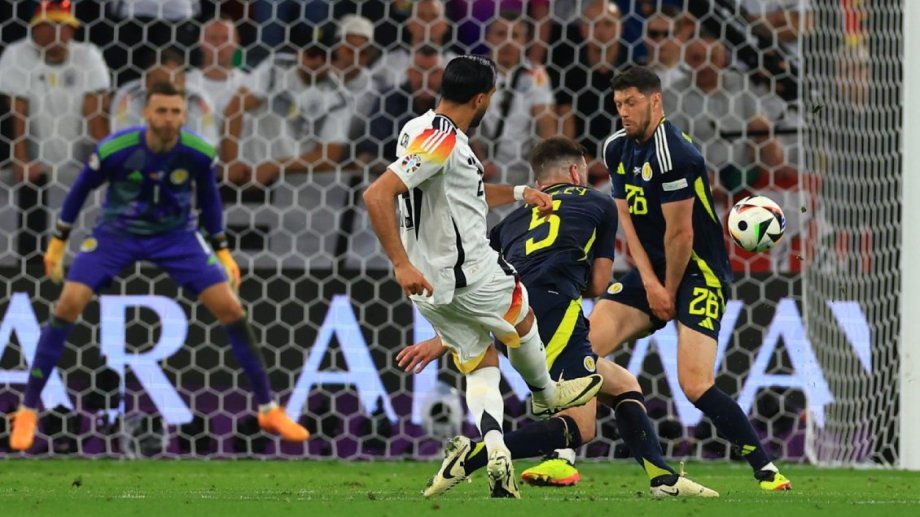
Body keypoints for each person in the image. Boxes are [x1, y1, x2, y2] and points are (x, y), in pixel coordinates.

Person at [397, 137, 718, 498]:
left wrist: (443, 339)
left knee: (622, 384)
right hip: (556, 310)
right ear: (576, 172)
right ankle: (474, 455)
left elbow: (481, 288)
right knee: (581, 427)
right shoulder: (599, 203)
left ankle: (663, 480)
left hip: (514, 314)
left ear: (538, 182)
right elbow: (598, 284)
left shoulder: (509, 223)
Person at [8, 82, 309, 452]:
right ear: (146, 114)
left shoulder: (198, 153)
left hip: (176, 237)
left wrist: (223, 251)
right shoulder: (116, 149)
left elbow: (210, 201)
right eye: (161, 111)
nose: (168, 119)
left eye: (175, 112)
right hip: (117, 234)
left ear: (184, 116)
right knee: (68, 303)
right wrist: (58, 242)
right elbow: (79, 191)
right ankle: (28, 410)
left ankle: (268, 409)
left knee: (231, 308)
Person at [362, 56, 602, 499]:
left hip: (430, 291)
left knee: (479, 361)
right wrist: (398, 263)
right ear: (480, 99)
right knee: (523, 318)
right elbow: (377, 194)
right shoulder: (442, 141)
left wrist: (519, 193)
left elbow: (462, 194)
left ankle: (495, 450)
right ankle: (546, 394)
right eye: (490, 96)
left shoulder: (417, 130)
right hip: (469, 274)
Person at [592, 66, 792, 491]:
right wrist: (650, 283)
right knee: (579, 355)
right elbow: (626, 219)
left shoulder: (677, 154)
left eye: (632, 103)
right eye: (619, 104)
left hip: (699, 272)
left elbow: (680, 234)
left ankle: (766, 469)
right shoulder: (615, 148)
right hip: (652, 272)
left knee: (695, 384)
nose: (624, 111)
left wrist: (667, 290)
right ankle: (569, 456)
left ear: (656, 101)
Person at [0, 0, 110, 257]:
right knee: (31, 231)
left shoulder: (88, 55)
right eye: (50, 25)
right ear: (35, 28)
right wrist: (21, 157)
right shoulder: (16, 54)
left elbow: (95, 111)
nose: (57, 33)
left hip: (77, 156)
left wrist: (107, 158)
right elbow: (16, 109)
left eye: (63, 26)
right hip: (33, 161)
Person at [110, 47, 219, 145]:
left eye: (173, 82)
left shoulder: (198, 100)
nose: (167, 90)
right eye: (159, 84)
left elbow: (208, 144)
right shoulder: (128, 96)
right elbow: (121, 141)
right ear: (146, 82)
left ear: (184, 81)